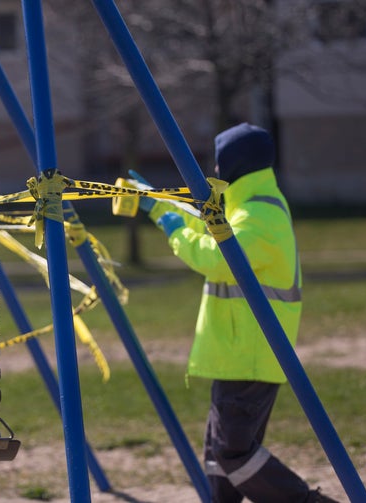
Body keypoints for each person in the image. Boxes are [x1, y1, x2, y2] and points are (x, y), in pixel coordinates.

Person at [134, 122, 339, 502]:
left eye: (217, 162)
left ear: (235, 165)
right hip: (240, 353)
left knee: (234, 452)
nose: (213, 171)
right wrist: (162, 207)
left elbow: (218, 258)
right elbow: (217, 232)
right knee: (219, 453)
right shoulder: (251, 209)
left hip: (252, 354)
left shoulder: (261, 217)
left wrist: (171, 227)